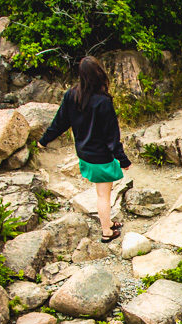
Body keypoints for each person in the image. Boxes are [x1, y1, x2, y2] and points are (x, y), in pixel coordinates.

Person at [37, 57, 132, 242]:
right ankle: (107, 232)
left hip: (85, 154)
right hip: (101, 156)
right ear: (99, 74)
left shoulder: (72, 95)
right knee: (103, 195)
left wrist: (44, 140)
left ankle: (109, 222)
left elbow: (60, 122)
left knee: (102, 192)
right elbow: (111, 136)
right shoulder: (103, 101)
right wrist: (123, 159)